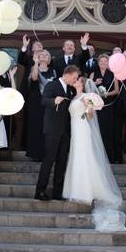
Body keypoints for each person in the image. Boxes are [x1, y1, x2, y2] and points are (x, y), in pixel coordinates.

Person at [62, 76, 126, 232]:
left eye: (77, 80)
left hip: (83, 129)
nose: (75, 81)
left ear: (82, 84)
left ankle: (87, 190)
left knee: (84, 157)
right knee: (76, 158)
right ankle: (77, 188)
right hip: (75, 130)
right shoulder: (74, 97)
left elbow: (90, 116)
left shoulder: (85, 97)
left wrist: (89, 107)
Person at [35, 65, 80, 201]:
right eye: (74, 77)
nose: (75, 80)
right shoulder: (52, 85)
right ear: (67, 74)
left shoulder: (70, 89)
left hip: (65, 131)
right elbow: (43, 101)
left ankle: (57, 192)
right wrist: (54, 101)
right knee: (49, 160)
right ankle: (40, 191)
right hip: (52, 130)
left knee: (62, 162)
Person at [26, 50, 57, 162]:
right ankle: (35, 154)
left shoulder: (53, 71)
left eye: (46, 55)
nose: (44, 56)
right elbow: (34, 78)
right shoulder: (34, 68)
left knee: (47, 128)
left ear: (49, 59)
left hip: (49, 103)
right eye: (41, 55)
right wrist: (35, 63)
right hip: (36, 102)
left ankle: (47, 154)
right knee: (36, 126)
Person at [89, 54, 119, 163]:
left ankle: (109, 156)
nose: (103, 63)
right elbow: (88, 88)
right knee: (97, 130)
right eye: (101, 61)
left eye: (105, 61)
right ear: (98, 63)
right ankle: (96, 157)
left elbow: (116, 90)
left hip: (108, 106)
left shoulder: (113, 74)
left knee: (108, 130)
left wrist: (106, 94)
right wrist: (95, 85)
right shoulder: (93, 74)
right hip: (96, 106)